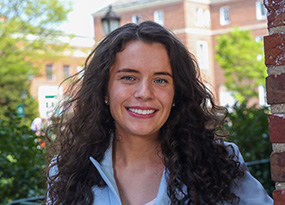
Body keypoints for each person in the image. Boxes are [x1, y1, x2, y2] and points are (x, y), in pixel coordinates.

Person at [45, 21, 273, 205]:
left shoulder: (218, 163)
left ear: (176, 93)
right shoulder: (67, 170)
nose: (145, 93)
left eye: (161, 80)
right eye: (128, 77)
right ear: (105, 90)